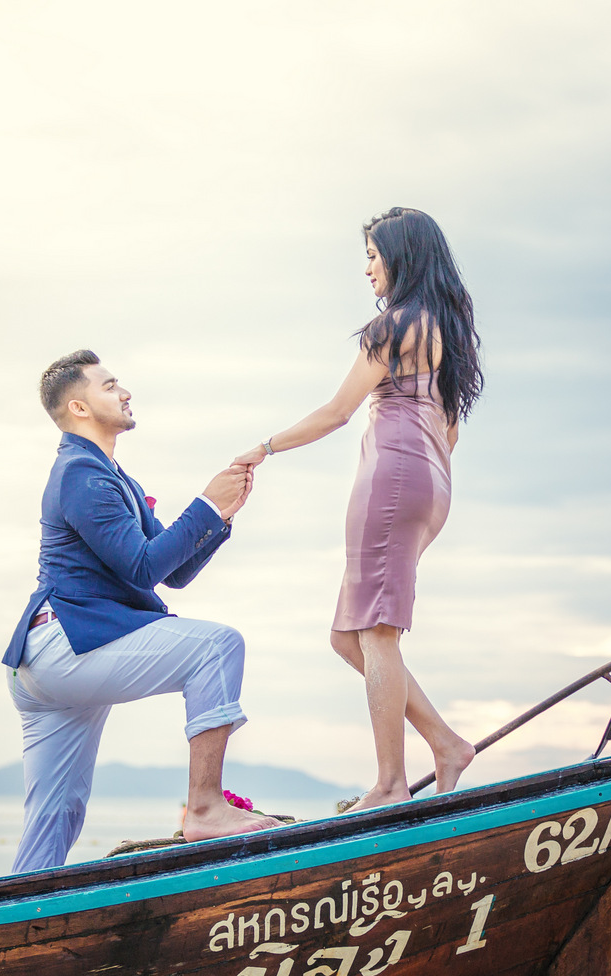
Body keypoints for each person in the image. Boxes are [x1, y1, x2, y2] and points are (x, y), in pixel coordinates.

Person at [233, 207, 484, 812]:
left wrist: (264, 448)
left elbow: (336, 411)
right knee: (350, 638)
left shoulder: (393, 327)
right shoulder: (445, 330)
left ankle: (391, 783)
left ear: (401, 256)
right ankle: (446, 743)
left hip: (391, 480)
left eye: (373, 255)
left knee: (376, 632)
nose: (367, 268)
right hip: (430, 483)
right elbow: (449, 433)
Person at [5, 350, 280, 873]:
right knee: (217, 646)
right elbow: (141, 569)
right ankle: (205, 807)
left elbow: (171, 571)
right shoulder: (82, 475)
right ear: (80, 408)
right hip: (67, 645)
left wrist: (217, 514)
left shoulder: (108, 475)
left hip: (50, 660)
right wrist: (203, 502)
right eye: (111, 386)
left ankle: (9, 922)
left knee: (56, 815)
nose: (125, 392)